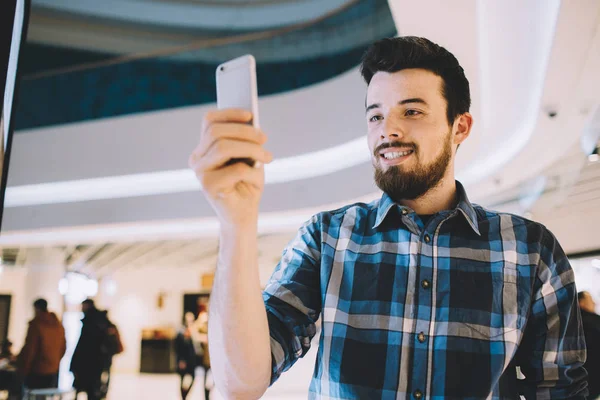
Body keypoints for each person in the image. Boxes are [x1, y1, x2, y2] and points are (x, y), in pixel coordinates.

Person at [188, 36, 588, 399]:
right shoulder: (327, 238)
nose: (388, 130)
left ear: (459, 127)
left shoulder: (529, 250)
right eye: (376, 116)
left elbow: (559, 390)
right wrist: (235, 224)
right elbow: (240, 383)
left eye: (411, 111)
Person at [70, 299, 123, 400]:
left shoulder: (91, 322)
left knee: (90, 386)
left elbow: (84, 345)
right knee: (97, 384)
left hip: (91, 361)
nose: (81, 309)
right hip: (102, 360)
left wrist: (75, 362)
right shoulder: (102, 320)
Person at [16, 298, 66, 390]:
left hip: (37, 370)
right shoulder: (58, 326)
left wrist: (23, 368)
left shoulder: (36, 324)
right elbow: (63, 348)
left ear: (36, 308)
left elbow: (30, 349)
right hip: (53, 369)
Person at [579, 291, 600, 398]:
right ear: (580, 303)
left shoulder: (568, 325)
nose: (595, 303)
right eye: (591, 300)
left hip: (576, 381)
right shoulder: (594, 322)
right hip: (593, 379)